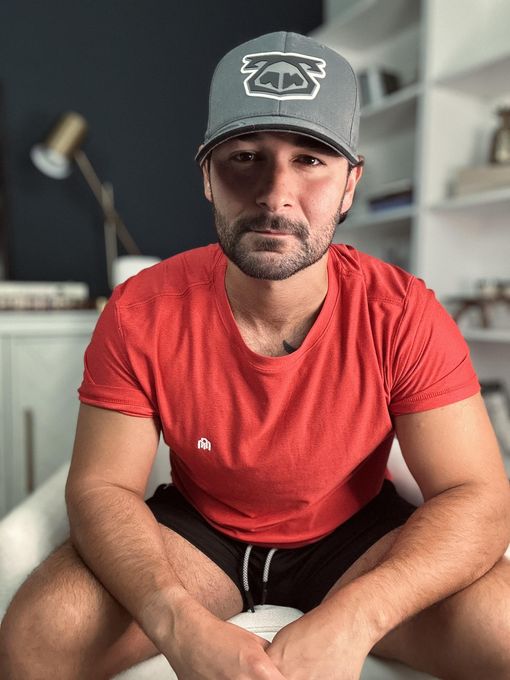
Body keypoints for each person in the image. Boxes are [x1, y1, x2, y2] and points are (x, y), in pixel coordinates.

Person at [1, 30, 510, 680]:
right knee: (38, 636)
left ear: (351, 185)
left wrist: (358, 616)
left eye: (310, 159)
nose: (275, 194)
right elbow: (101, 485)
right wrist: (175, 621)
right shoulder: (140, 309)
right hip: (199, 535)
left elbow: (478, 494)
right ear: (207, 177)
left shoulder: (403, 312)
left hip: (355, 537)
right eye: (245, 156)